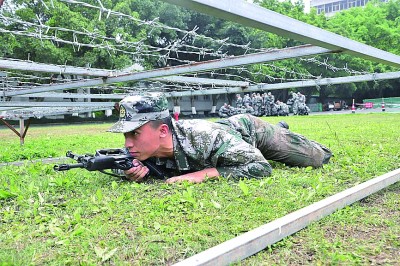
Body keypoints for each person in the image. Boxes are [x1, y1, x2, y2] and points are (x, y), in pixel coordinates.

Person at [108, 92, 332, 184]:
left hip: (251, 132)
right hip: (228, 140)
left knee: (316, 158)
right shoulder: (140, 150)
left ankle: (278, 129)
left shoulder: (203, 136)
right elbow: (118, 162)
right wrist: (128, 170)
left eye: (135, 133)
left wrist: (199, 176)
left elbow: (260, 167)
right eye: (126, 135)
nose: (128, 143)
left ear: (163, 131)